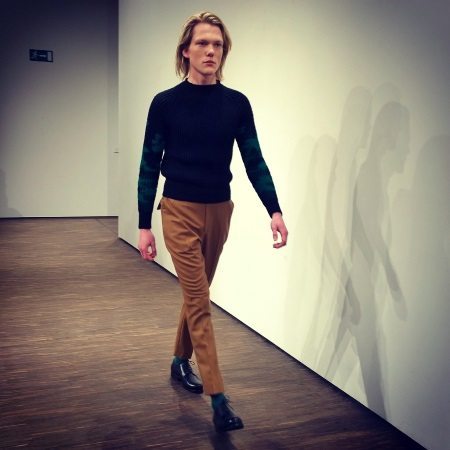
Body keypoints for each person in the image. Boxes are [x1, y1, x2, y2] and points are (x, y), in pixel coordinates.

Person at [137, 11, 288, 433]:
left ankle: (177, 359)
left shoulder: (236, 104)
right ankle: (219, 399)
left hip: (220, 209)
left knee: (196, 294)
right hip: (179, 209)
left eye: (217, 45)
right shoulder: (165, 103)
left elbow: (254, 159)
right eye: (202, 43)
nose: (211, 51)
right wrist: (144, 224)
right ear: (186, 51)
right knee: (201, 301)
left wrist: (274, 210)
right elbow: (148, 164)